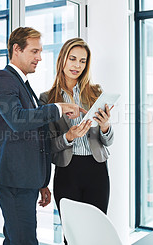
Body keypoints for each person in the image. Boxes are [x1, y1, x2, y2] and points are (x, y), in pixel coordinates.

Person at [0, 27, 85, 245]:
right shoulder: (3, 78)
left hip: (24, 180)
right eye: (34, 51)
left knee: (15, 239)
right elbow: (17, 119)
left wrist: (42, 181)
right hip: (13, 180)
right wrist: (57, 108)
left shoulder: (22, 84)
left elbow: (35, 137)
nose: (39, 58)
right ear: (16, 49)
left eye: (40, 52)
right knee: (25, 241)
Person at [39, 37, 114, 237]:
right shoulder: (47, 99)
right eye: (72, 59)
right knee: (73, 236)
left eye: (82, 61)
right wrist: (68, 137)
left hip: (97, 170)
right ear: (62, 59)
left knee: (96, 234)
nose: (77, 65)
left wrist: (105, 126)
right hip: (67, 172)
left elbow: (108, 141)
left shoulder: (95, 92)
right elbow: (49, 146)